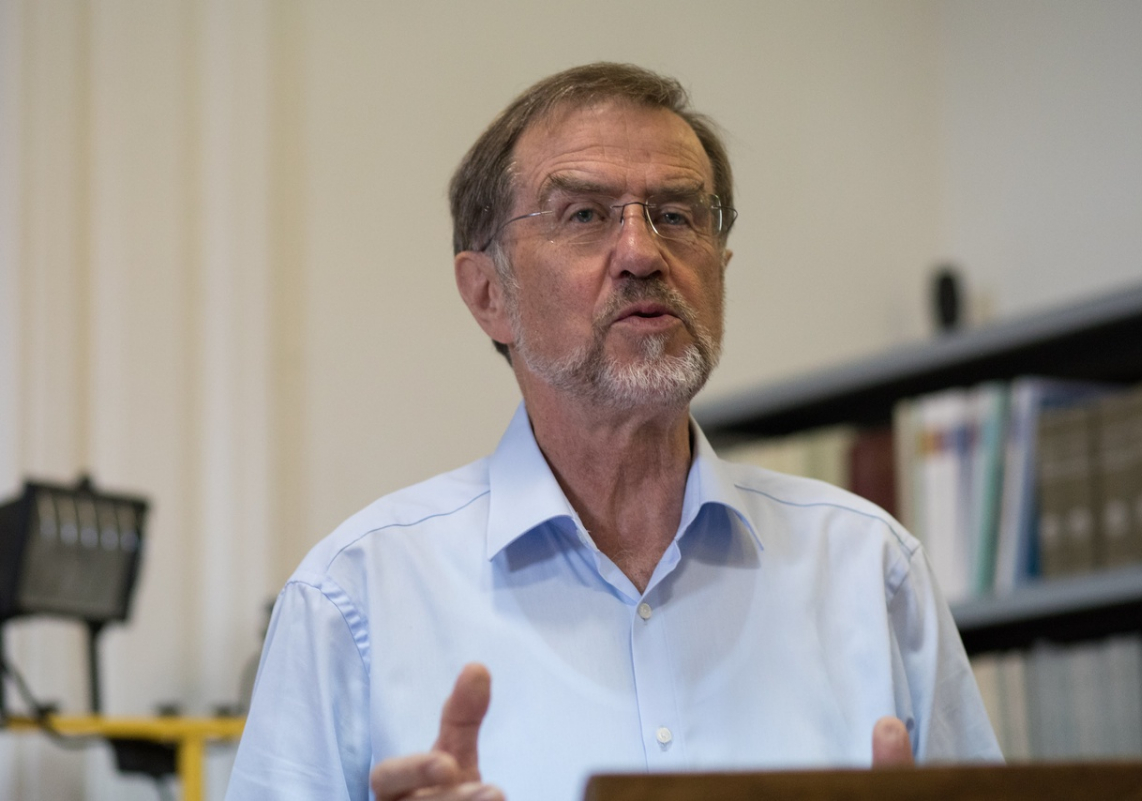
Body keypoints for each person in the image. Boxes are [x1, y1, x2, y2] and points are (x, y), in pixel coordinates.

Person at [226, 62, 1000, 801]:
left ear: (720, 266)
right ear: (489, 294)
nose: (641, 252)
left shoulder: (871, 570)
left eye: (677, 215)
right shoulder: (352, 599)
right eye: (584, 215)